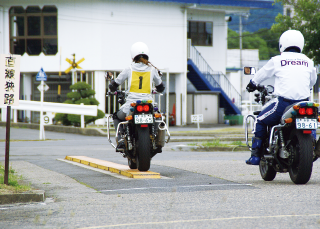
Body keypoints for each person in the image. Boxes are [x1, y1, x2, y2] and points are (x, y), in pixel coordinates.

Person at [246, 29, 317, 165]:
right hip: (304, 103)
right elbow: (312, 82)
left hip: (284, 104)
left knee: (260, 120)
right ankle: (312, 144)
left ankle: (255, 155)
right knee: (312, 122)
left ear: (282, 44)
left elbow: (262, 74)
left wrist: (252, 83)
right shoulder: (309, 61)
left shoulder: (278, 60)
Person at [109, 42, 165, 150]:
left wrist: (112, 86)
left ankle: (120, 140)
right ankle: (157, 139)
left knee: (116, 117)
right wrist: (157, 89)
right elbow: (160, 87)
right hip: (149, 104)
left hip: (131, 104)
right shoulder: (152, 69)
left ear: (133, 56)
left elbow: (115, 83)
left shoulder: (129, 69)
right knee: (158, 118)